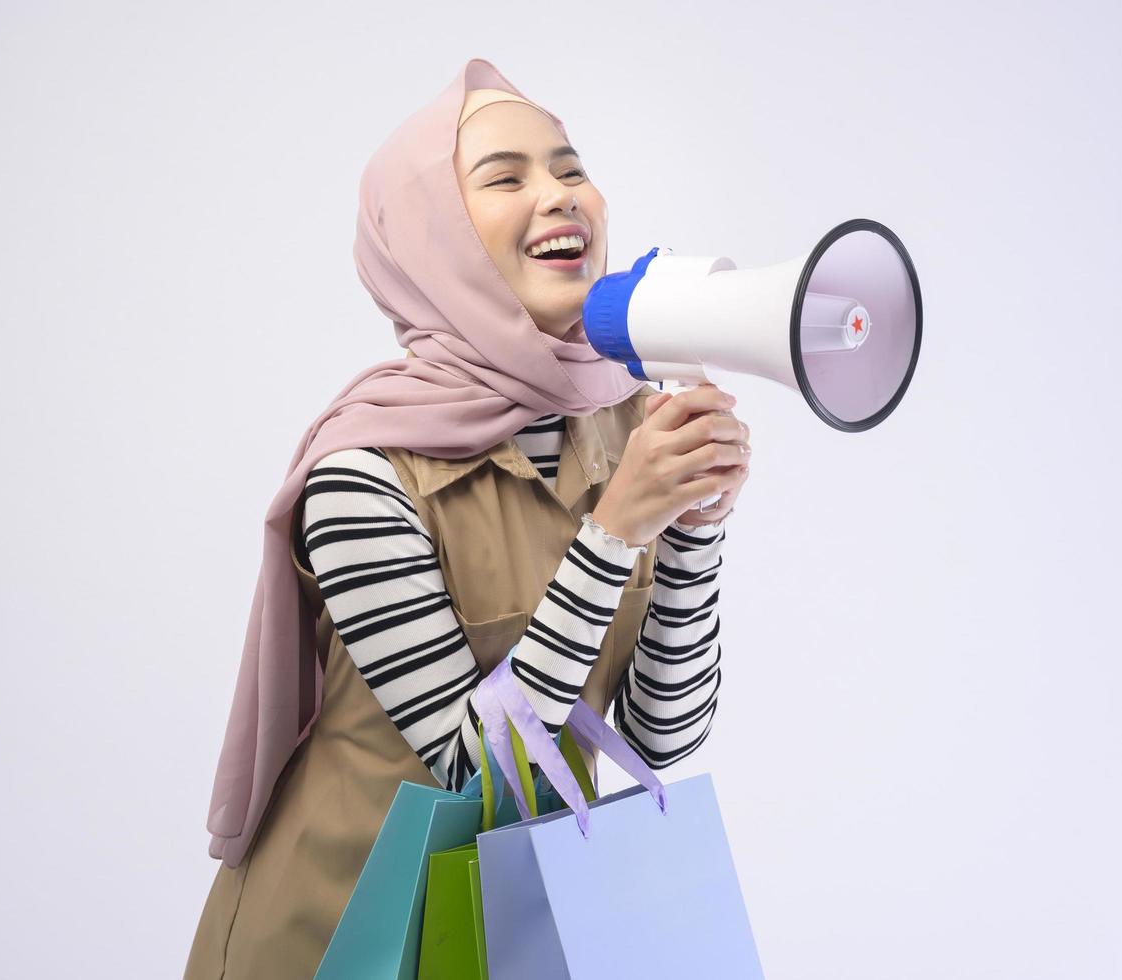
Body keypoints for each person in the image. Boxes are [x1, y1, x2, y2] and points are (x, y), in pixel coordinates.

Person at [184, 58, 752, 980]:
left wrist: (692, 527)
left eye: (569, 168)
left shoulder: (623, 423)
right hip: (342, 930)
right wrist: (615, 530)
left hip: (521, 929)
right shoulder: (360, 471)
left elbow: (658, 737)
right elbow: (474, 771)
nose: (559, 196)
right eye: (505, 177)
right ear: (430, 238)